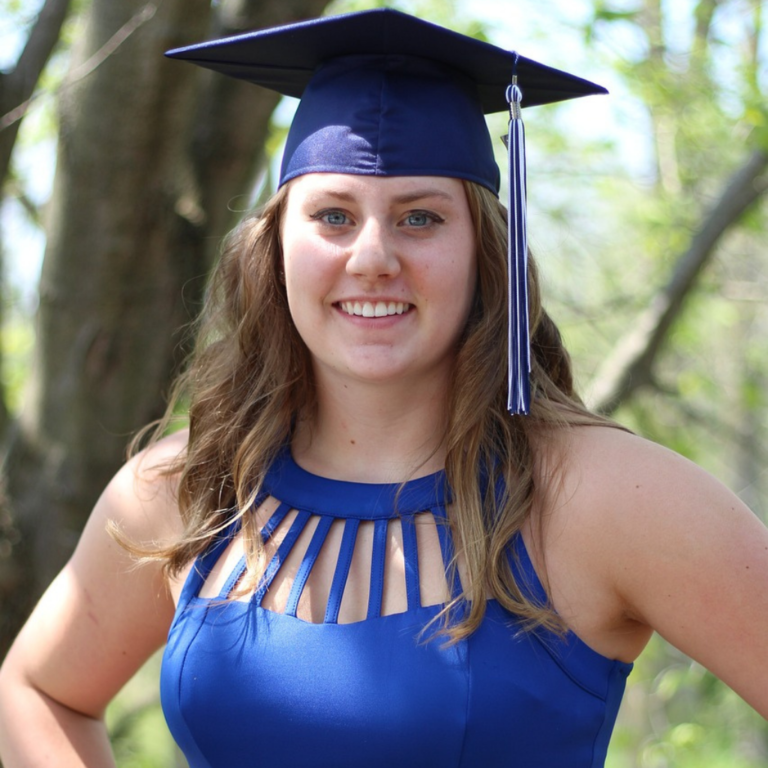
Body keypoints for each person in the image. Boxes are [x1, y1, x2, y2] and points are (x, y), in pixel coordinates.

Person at [0, 8, 767, 768]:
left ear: (484, 251)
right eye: (332, 214)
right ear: (274, 248)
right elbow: (36, 692)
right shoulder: (190, 487)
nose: (372, 257)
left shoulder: (602, 499)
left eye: (420, 219)